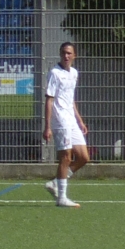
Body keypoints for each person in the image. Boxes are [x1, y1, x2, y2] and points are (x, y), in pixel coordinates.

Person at [43, 41, 90, 208]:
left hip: (71, 120)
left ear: (74, 55)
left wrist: (79, 120)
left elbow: (70, 99)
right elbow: (49, 100)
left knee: (84, 157)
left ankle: (56, 182)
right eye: (63, 52)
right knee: (66, 157)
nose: (66, 56)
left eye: (69, 53)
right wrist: (47, 126)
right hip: (60, 119)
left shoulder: (74, 73)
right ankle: (61, 198)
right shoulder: (54, 73)